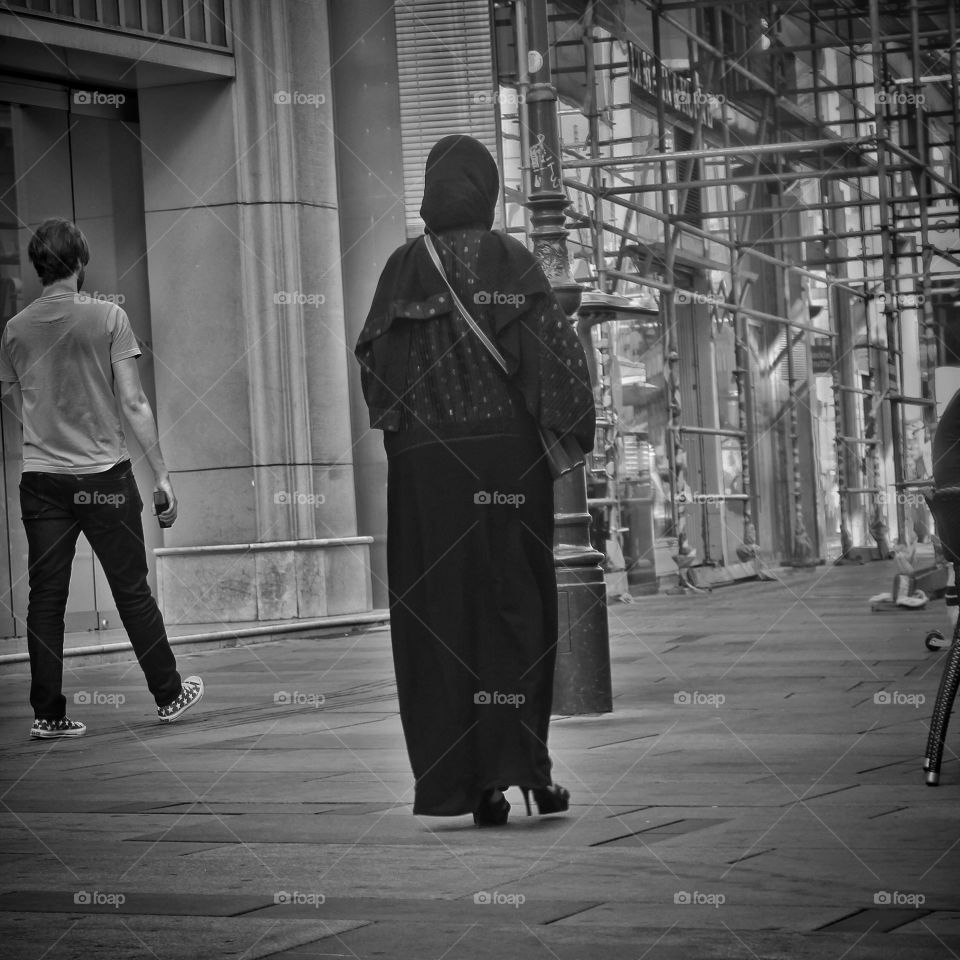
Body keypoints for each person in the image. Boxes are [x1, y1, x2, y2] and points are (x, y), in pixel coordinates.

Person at [355, 135, 595, 826]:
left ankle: (468, 786)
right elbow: (557, 369)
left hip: (427, 476)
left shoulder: (401, 271)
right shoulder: (510, 260)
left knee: (443, 625)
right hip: (506, 466)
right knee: (515, 615)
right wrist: (569, 433)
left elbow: (377, 377)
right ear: (484, 193)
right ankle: (526, 770)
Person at [0, 218, 203, 740]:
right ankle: (168, 693)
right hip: (104, 478)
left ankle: (48, 714)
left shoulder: (15, 328)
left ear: (37, 264)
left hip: (42, 479)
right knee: (130, 587)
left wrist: (49, 424)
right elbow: (133, 401)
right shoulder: (109, 317)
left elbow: (13, 396)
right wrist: (162, 473)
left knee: (45, 598)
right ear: (81, 262)